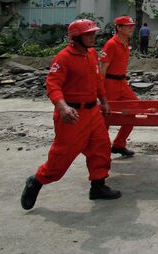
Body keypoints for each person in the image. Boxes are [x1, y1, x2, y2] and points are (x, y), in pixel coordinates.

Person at [20, 19, 121, 210]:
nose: (93, 37)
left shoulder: (91, 54)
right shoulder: (63, 58)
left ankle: (98, 186)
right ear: (76, 37)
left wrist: (105, 101)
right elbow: (52, 85)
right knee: (62, 157)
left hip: (93, 112)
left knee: (101, 148)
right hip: (72, 115)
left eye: (93, 33)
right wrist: (63, 107)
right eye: (88, 34)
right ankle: (37, 180)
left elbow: (98, 80)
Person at [99, 16, 139, 158]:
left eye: (132, 26)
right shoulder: (111, 44)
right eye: (128, 26)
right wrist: (101, 93)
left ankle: (118, 145)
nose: (131, 28)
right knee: (105, 118)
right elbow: (102, 70)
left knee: (134, 108)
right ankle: (99, 151)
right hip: (110, 83)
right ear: (119, 28)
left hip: (122, 83)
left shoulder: (125, 42)